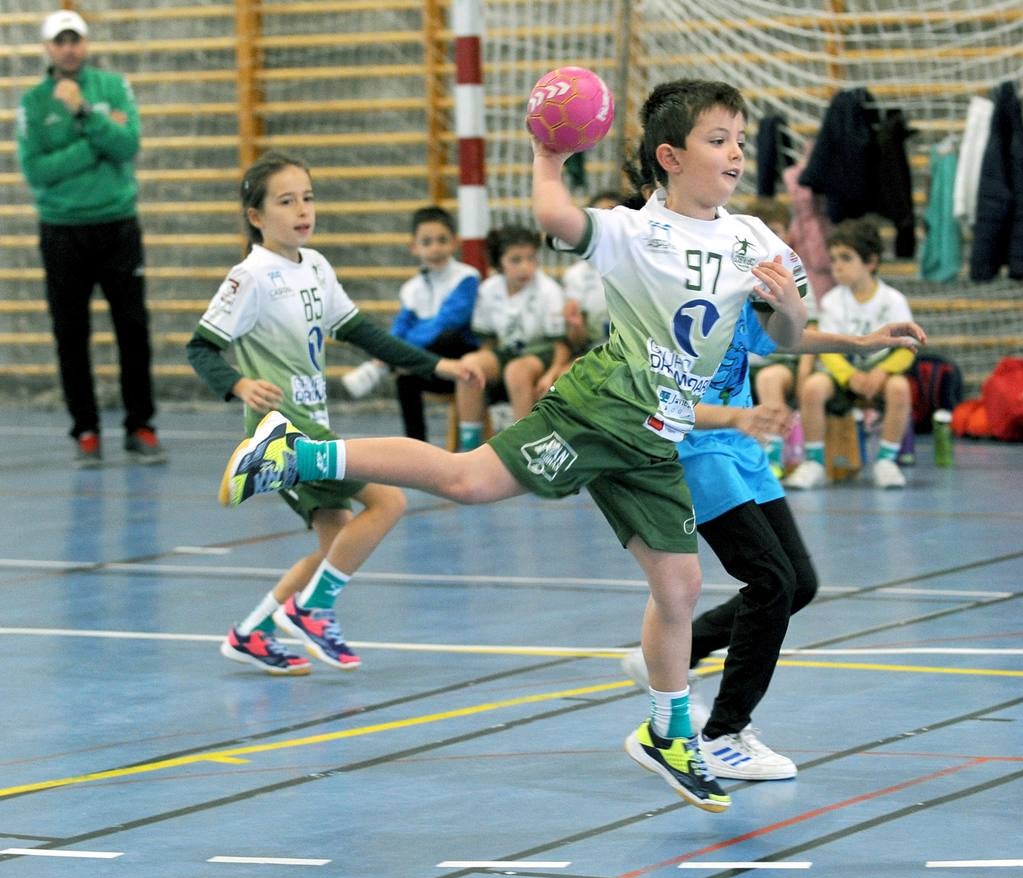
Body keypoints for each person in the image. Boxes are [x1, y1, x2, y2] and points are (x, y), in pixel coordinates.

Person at [215, 80, 813, 813]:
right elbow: (555, 216)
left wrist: (785, 310)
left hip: (661, 431)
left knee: (680, 588)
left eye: (738, 139)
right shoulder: (637, 230)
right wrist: (546, 154)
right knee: (468, 480)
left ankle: (667, 732)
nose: (734, 152)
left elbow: (788, 339)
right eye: (717, 139)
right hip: (603, 408)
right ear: (670, 156)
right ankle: (297, 454)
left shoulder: (755, 239)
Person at [186, 151, 482, 674]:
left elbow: (364, 333)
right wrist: (238, 384)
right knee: (388, 501)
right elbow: (201, 347)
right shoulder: (250, 276)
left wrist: (439, 367)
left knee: (336, 543)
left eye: (308, 197)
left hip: (315, 423)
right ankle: (312, 611)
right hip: (284, 435)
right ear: (256, 216)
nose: (302, 209)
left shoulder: (316, 266)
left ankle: (252, 633)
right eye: (286, 201)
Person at [624, 303, 925, 780]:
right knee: (770, 581)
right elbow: (660, 400)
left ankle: (668, 654)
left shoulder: (735, 266)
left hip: (741, 442)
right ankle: (723, 735)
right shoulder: (668, 286)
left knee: (799, 583)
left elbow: (783, 336)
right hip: (698, 447)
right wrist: (733, 418)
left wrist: (865, 342)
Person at [17, 10, 164, 466]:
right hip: (61, 231)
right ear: (47, 48)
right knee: (70, 332)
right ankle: (85, 430)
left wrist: (84, 114)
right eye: (59, 41)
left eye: (74, 40)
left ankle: (140, 425)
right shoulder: (34, 103)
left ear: (85, 44)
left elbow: (127, 145)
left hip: (117, 225)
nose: (68, 48)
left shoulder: (113, 88)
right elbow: (37, 171)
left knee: (133, 329)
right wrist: (94, 144)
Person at [784, 217, 916, 490]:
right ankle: (815, 462)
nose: (838, 266)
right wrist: (849, 376)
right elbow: (829, 352)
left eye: (846, 258)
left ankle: (886, 461)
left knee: (901, 387)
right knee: (812, 388)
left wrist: (883, 371)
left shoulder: (893, 300)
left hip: (880, 376)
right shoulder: (832, 301)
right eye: (833, 259)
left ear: (871, 262)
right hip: (844, 377)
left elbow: (907, 348)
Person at [341, 207, 481, 443]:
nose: (435, 247)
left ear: (455, 243)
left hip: (460, 360)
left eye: (442, 240)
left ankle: (385, 366)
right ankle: (417, 444)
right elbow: (399, 328)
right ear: (414, 247)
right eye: (427, 242)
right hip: (430, 370)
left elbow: (449, 320)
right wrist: (389, 351)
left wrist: (402, 354)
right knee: (405, 379)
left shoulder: (467, 277)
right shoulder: (411, 288)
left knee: (447, 335)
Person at [453, 223, 569, 450]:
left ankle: (523, 447)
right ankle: (470, 445)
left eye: (531, 258)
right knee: (468, 366)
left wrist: (551, 373)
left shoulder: (549, 291)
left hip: (543, 353)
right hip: (508, 351)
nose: (525, 267)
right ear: (499, 263)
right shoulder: (489, 290)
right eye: (516, 260)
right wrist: (483, 372)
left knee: (516, 371)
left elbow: (562, 346)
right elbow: (488, 343)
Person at [744, 197, 817, 478]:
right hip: (743, 362)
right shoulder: (741, 270)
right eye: (762, 232)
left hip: (783, 363)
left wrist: (803, 377)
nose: (770, 239)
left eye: (776, 231)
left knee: (768, 378)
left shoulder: (796, 274)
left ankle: (773, 451)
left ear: (788, 234)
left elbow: (806, 330)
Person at [561, 190, 625, 356]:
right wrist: (576, 325)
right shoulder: (576, 275)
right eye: (600, 218)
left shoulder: (644, 267)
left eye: (612, 216)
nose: (607, 224)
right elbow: (578, 342)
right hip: (594, 353)